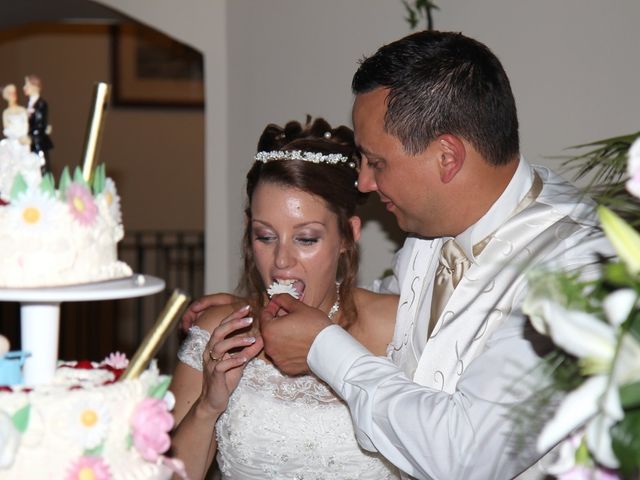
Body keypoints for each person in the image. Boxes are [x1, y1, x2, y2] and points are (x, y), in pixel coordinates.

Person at [185, 31, 613, 479]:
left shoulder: (577, 271)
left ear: (447, 156)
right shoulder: (434, 226)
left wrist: (321, 346)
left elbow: (466, 458)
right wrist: (266, 307)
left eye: (377, 162)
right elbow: (401, 318)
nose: (365, 183)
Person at [170, 117, 401, 480]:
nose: (281, 260)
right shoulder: (218, 331)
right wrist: (207, 407)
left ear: (347, 236)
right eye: (265, 237)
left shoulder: (396, 327)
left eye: (306, 239)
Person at [0, 84, 44, 202]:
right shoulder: (6, 112)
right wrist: (17, 136)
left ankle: (31, 192)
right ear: (5, 96)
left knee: (28, 164)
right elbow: (7, 129)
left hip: (24, 143)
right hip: (13, 143)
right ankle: (10, 194)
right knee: (11, 165)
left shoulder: (22, 110)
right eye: (9, 93)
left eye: (14, 92)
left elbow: (28, 125)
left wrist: (27, 137)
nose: (12, 95)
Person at [23, 74, 53, 173]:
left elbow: (39, 125)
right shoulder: (29, 104)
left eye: (27, 85)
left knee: (41, 165)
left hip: (37, 141)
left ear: (35, 86)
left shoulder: (41, 104)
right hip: (30, 142)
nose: (24, 87)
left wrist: (30, 136)